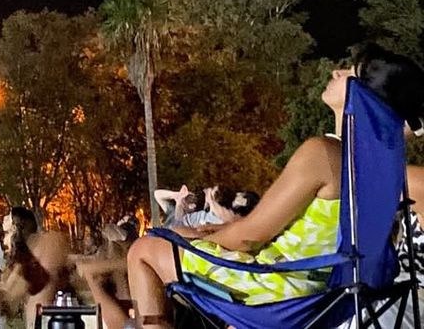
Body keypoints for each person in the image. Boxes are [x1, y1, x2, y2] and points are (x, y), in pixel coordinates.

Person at [127, 44, 424, 329]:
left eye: (350, 72)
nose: (336, 72)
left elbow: (248, 238)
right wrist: (198, 236)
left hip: (281, 296)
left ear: (364, 97)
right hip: (331, 298)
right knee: (176, 235)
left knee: (143, 250)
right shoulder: (381, 169)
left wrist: (200, 241)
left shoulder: (323, 154)